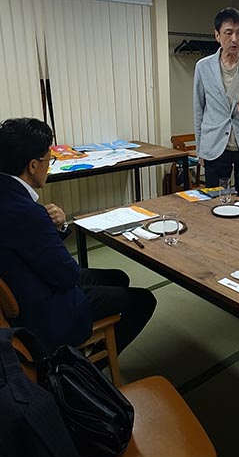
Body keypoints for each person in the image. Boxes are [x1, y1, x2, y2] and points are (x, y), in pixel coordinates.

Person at [0, 117, 156, 355]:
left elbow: (34, 247)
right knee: (144, 300)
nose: (48, 166)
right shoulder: (28, 213)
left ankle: (100, 345)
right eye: (48, 160)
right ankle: (92, 366)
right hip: (45, 309)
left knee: (118, 277)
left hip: (27, 284)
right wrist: (49, 225)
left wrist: (58, 226)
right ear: (32, 165)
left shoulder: (8, 195)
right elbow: (67, 275)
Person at [193, 7, 239, 201]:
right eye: (228, 33)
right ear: (217, 35)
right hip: (215, 146)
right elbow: (199, 110)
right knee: (216, 204)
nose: (235, 39)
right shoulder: (203, 66)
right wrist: (201, 149)